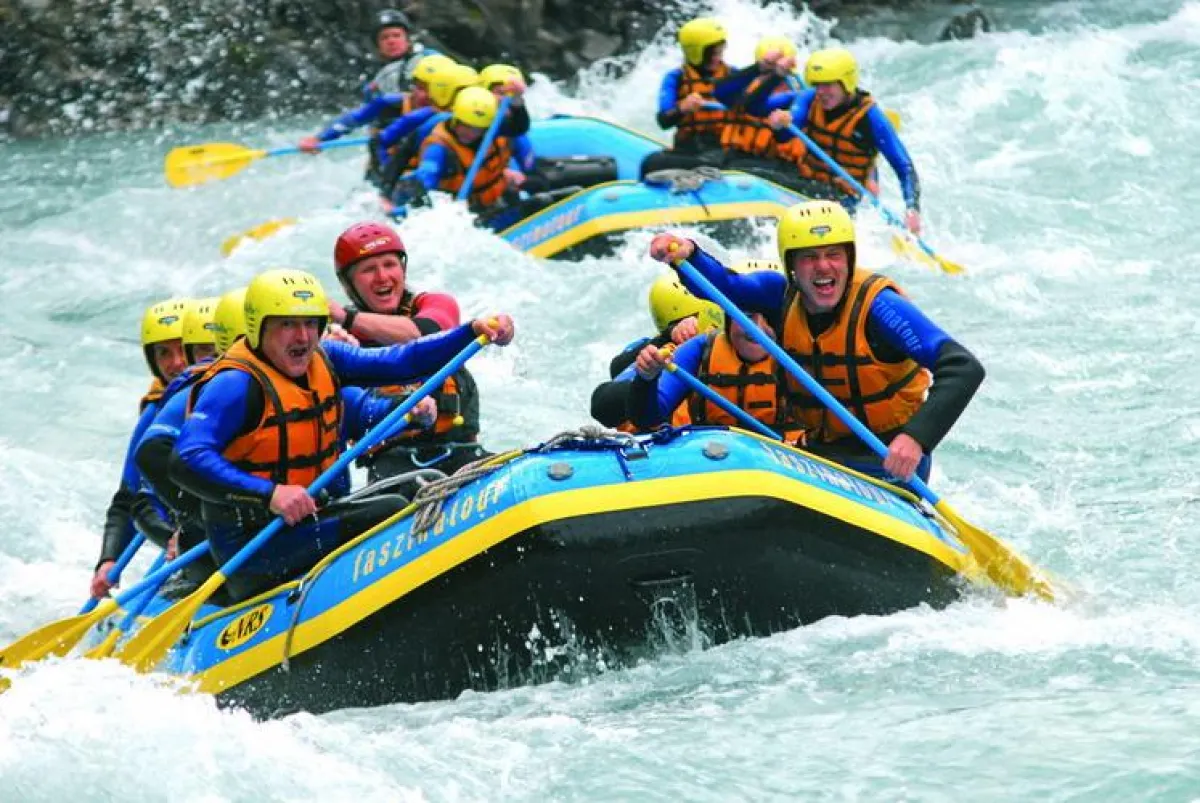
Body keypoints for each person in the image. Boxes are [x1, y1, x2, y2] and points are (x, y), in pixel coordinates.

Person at [170, 269, 515, 601]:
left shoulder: (327, 358)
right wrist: (269, 495)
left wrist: (471, 332)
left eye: (309, 324)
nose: (302, 337)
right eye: (287, 324)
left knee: (410, 496)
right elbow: (185, 459)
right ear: (257, 329)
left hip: (312, 520)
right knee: (389, 509)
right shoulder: (235, 384)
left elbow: (403, 360)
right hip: (254, 549)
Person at [647, 200, 985, 482]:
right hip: (820, 453)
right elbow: (727, 287)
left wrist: (916, 438)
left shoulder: (879, 307)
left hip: (886, 460)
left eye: (834, 254)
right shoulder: (778, 295)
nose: (823, 267)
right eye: (809, 257)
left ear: (849, 258)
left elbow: (962, 367)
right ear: (791, 264)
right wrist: (687, 254)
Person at [327, 222, 490, 480]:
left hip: (463, 454)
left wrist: (346, 319)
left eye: (389, 265)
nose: (382, 277)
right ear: (349, 284)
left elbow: (426, 335)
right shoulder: (340, 342)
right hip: (393, 468)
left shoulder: (437, 305)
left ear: (402, 270)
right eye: (369, 269)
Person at [90, 298, 193, 599]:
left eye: (181, 348)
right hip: (185, 532)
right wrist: (109, 558)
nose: (176, 363)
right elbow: (130, 495)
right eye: (163, 353)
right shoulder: (154, 415)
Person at [763, 48, 922, 233]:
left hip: (842, 196)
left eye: (828, 85)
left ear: (846, 83)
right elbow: (787, 134)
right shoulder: (809, 98)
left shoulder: (871, 119)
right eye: (818, 84)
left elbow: (904, 167)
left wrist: (912, 209)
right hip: (806, 181)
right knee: (762, 174)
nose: (821, 92)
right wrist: (781, 123)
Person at [627, 310, 806, 444]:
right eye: (747, 315)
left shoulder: (799, 352)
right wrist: (646, 380)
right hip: (713, 456)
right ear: (728, 319)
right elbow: (649, 417)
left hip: (788, 460)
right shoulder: (700, 349)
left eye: (768, 317)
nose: (756, 328)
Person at [590, 275, 722, 431]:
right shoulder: (665, 351)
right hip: (664, 440)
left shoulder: (736, 348)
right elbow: (613, 377)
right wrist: (666, 339)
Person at [393, 86, 530, 214]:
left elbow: (518, 127)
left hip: (495, 203)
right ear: (456, 119)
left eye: (477, 129)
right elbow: (427, 174)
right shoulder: (439, 147)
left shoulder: (490, 131)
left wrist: (517, 102)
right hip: (465, 214)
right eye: (466, 126)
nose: (470, 133)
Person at [640, 17, 746, 177]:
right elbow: (663, 121)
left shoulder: (734, 75)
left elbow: (756, 104)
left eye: (720, 51)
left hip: (724, 151)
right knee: (651, 163)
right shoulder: (675, 78)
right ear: (696, 52)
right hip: (689, 151)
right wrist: (682, 108)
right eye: (712, 53)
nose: (717, 57)